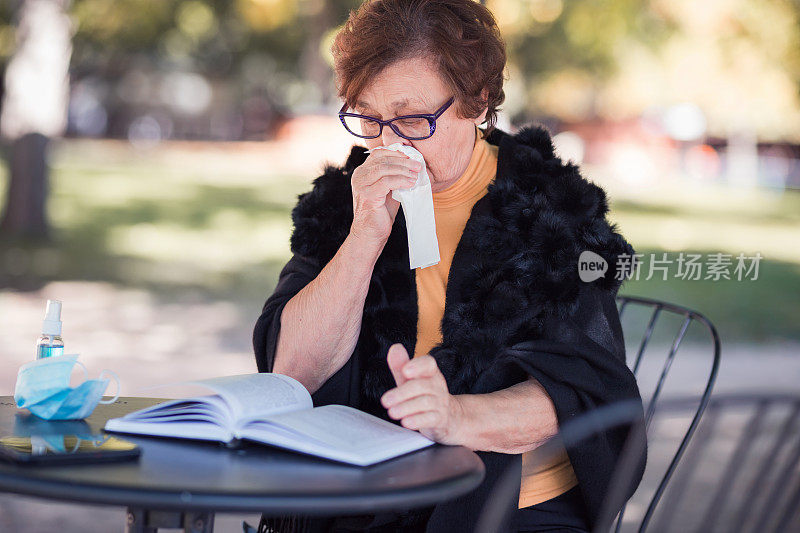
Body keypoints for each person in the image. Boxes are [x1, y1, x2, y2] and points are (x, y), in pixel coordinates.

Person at [253, 1, 647, 531]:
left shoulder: (551, 210)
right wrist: (365, 235)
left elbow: (576, 391)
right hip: (372, 492)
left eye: (413, 119)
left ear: (477, 99)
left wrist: (454, 416)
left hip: (512, 507)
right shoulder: (345, 202)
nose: (389, 142)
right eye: (368, 117)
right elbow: (292, 371)